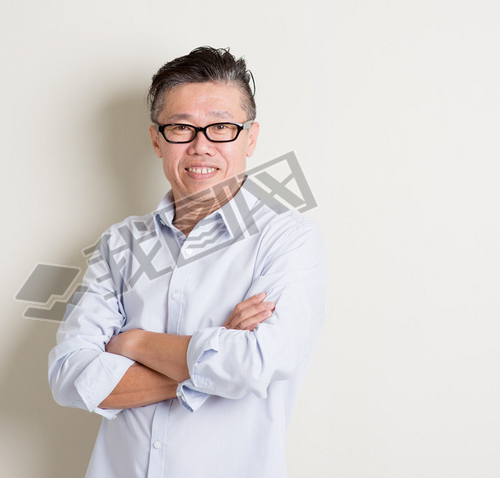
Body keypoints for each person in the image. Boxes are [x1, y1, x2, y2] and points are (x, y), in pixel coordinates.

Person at [48, 46, 327, 478]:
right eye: (181, 127)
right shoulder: (120, 244)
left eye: (222, 127)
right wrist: (214, 356)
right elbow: (69, 377)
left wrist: (135, 343)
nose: (201, 147)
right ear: (157, 139)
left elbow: (256, 363)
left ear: (250, 138)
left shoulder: (287, 238)